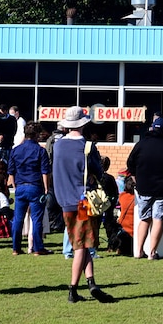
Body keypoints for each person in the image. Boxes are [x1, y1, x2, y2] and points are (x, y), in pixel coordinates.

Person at [52, 106, 114, 303]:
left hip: (64, 200)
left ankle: (92, 283)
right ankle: (72, 289)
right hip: (83, 200)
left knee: (83, 243)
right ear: (83, 123)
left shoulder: (58, 145)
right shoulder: (87, 147)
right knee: (81, 246)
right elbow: (99, 172)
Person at [127, 115, 163, 260]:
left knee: (144, 219)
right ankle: (152, 252)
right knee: (158, 218)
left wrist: (137, 181)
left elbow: (130, 165)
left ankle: (138, 251)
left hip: (143, 188)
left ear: (152, 128)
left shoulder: (140, 145)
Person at [8, 122, 53, 255]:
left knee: (18, 219)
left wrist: (15, 186)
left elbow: (11, 171)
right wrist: (46, 188)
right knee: (36, 219)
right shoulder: (40, 151)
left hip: (21, 187)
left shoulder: (15, 150)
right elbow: (45, 172)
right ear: (37, 135)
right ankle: (38, 248)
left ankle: (16, 248)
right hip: (35, 187)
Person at [0, 104, 18, 170]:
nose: (1, 115)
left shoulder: (12, 119)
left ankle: (5, 179)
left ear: (6, 111)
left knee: (7, 167)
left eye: (2, 113)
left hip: (7, 147)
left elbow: (12, 132)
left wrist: (3, 136)